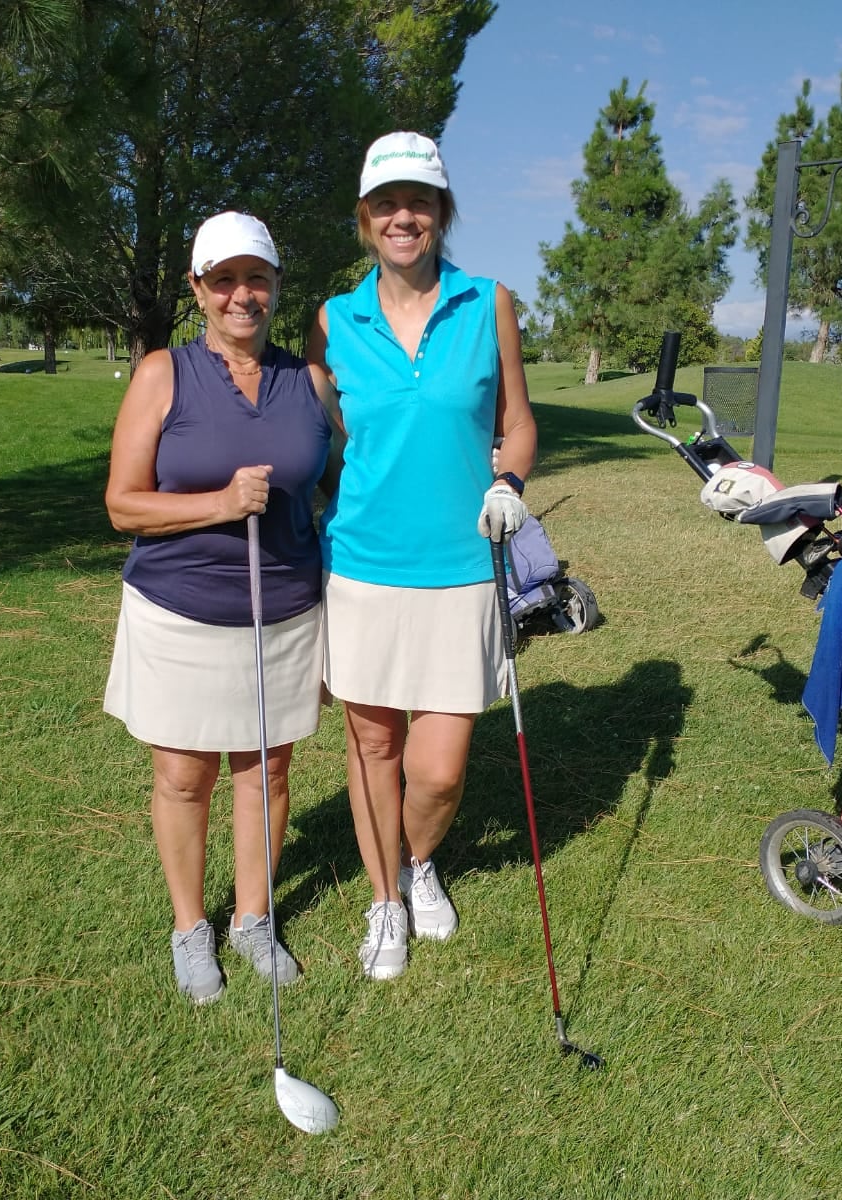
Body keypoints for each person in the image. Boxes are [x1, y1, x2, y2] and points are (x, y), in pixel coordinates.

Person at [309, 131, 538, 981]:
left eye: (419, 202)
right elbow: (322, 437)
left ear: (441, 213)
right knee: (372, 748)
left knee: (437, 772)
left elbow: (517, 419)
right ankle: (385, 898)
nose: (402, 217)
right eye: (385, 204)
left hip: (459, 568)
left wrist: (509, 475)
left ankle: (420, 858)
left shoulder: (489, 302)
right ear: (364, 220)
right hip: (361, 564)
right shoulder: (334, 318)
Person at [104, 211, 334, 1005]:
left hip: (286, 609)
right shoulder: (163, 374)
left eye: (258, 278)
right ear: (198, 290)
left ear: (276, 287)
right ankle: (189, 927)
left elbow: (329, 493)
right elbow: (122, 507)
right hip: (182, 608)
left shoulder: (306, 383)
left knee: (267, 769)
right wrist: (217, 504)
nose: (244, 295)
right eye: (225, 279)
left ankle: (252, 918)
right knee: (182, 773)